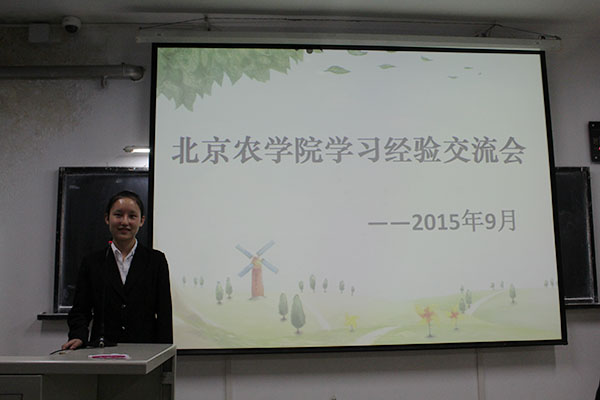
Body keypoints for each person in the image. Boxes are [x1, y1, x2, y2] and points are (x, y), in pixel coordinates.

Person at [62, 190, 172, 350]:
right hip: (103, 349)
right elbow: (80, 310)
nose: (125, 222)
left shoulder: (156, 261)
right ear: (107, 218)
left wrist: (165, 353)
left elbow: (164, 313)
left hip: (146, 350)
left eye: (132, 216)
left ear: (141, 221)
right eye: (118, 215)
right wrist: (78, 336)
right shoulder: (92, 262)